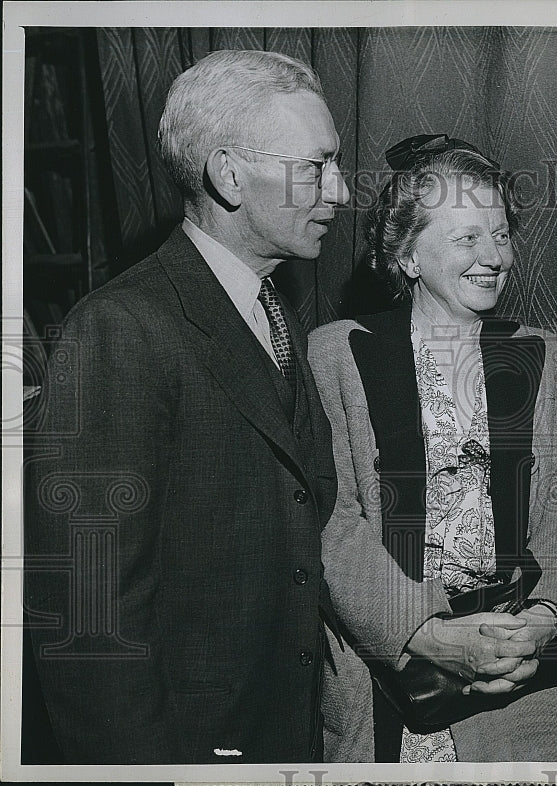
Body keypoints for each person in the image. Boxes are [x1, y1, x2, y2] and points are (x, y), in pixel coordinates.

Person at [25, 49, 359, 764]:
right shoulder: (119, 328)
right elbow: (91, 619)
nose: (341, 191)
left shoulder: (274, 312)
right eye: (317, 166)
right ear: (229, 174)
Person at [308, 134, 557, 762]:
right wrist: (424, 633)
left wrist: (544, 618)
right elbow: (332, 517)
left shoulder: (543, 356)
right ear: (407, 254)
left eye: (501, 235)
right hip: (390, 672)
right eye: (466, 238)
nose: (492, 256)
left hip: (524, 665)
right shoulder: (336, 354)